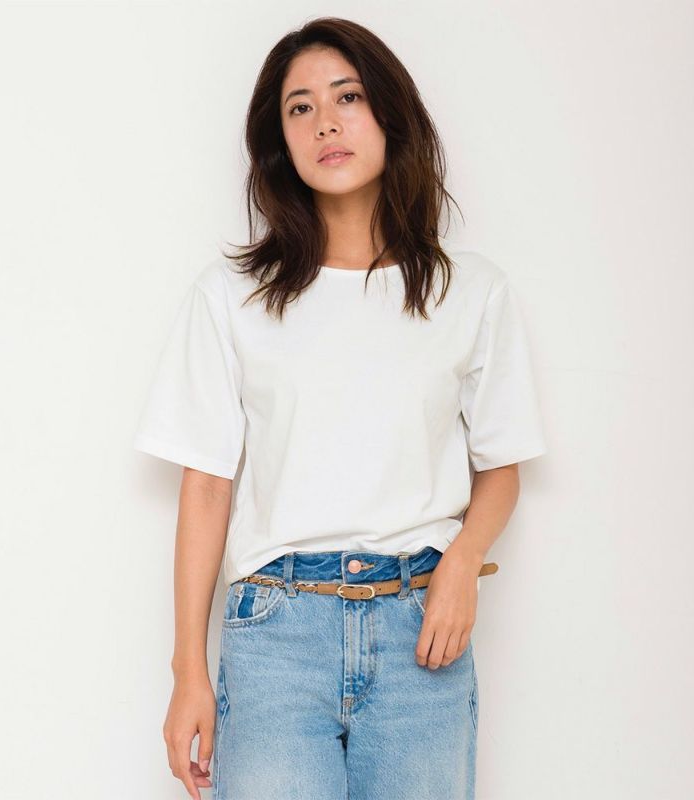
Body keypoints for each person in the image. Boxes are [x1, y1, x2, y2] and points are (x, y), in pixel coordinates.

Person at [133, 16, 547, 800]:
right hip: (275, 641)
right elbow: (207, 486)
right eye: (300, 107)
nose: (325, 122)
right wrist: (189, 672)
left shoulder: (471, 292)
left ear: (389, 113)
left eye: (346, 97)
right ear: (279, 142)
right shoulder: (233, 297)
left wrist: (463, 563)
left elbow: (502, 468)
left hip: (421, 633)